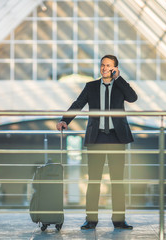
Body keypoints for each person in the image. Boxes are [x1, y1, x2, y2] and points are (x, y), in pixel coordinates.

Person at [56, 55, 138, 230]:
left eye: (108, 65)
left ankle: (119, 220)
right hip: (96, 138)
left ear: (115, 68)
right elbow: (78, 103)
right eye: (102, 65)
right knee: (94, 181)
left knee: (117, 181)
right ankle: (91, 220)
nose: (104, 68)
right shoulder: (91, 86)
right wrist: (65, 120)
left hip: (117, 138)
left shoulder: (120, 86)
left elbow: (133, 98)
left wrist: (119, 79)